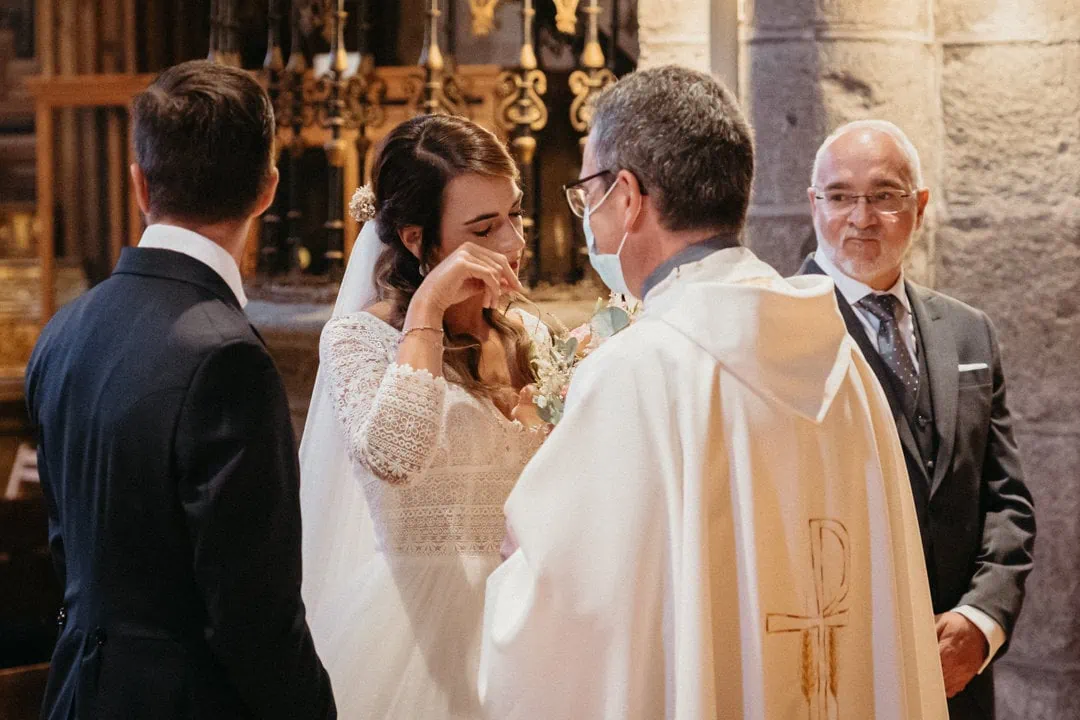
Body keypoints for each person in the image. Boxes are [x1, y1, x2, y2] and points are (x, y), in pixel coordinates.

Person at [478, 65, 949, 720]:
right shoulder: (841, 360)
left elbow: (563, 624)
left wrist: (516, 553)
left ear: (627, 196)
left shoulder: (639, 371)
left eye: (587, 193)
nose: (587, 218)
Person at [24, 60, 335, 719]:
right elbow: (254, 613)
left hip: (77, 692)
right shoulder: (228, 357)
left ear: (139, 182)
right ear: (267, 190)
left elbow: (67, 550)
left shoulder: (63, 331)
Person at [299, 113, 550, 719]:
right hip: (419, 638)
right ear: (417, 240)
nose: (513, 243)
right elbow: (395, 458)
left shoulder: (533, 336)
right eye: (484, 228)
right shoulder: (358, 341)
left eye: (515, 214)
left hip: (529, 619)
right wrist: (429, 309)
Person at [800, 119, 1036, 719]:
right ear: (813, 204)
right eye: (840, 196)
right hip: (837, 673)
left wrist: (980, 620)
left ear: (920, 206)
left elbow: (1006, 498)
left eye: (884, 196)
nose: (861, 217)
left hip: (959, 675)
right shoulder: (777, 330)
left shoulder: (969, 331)